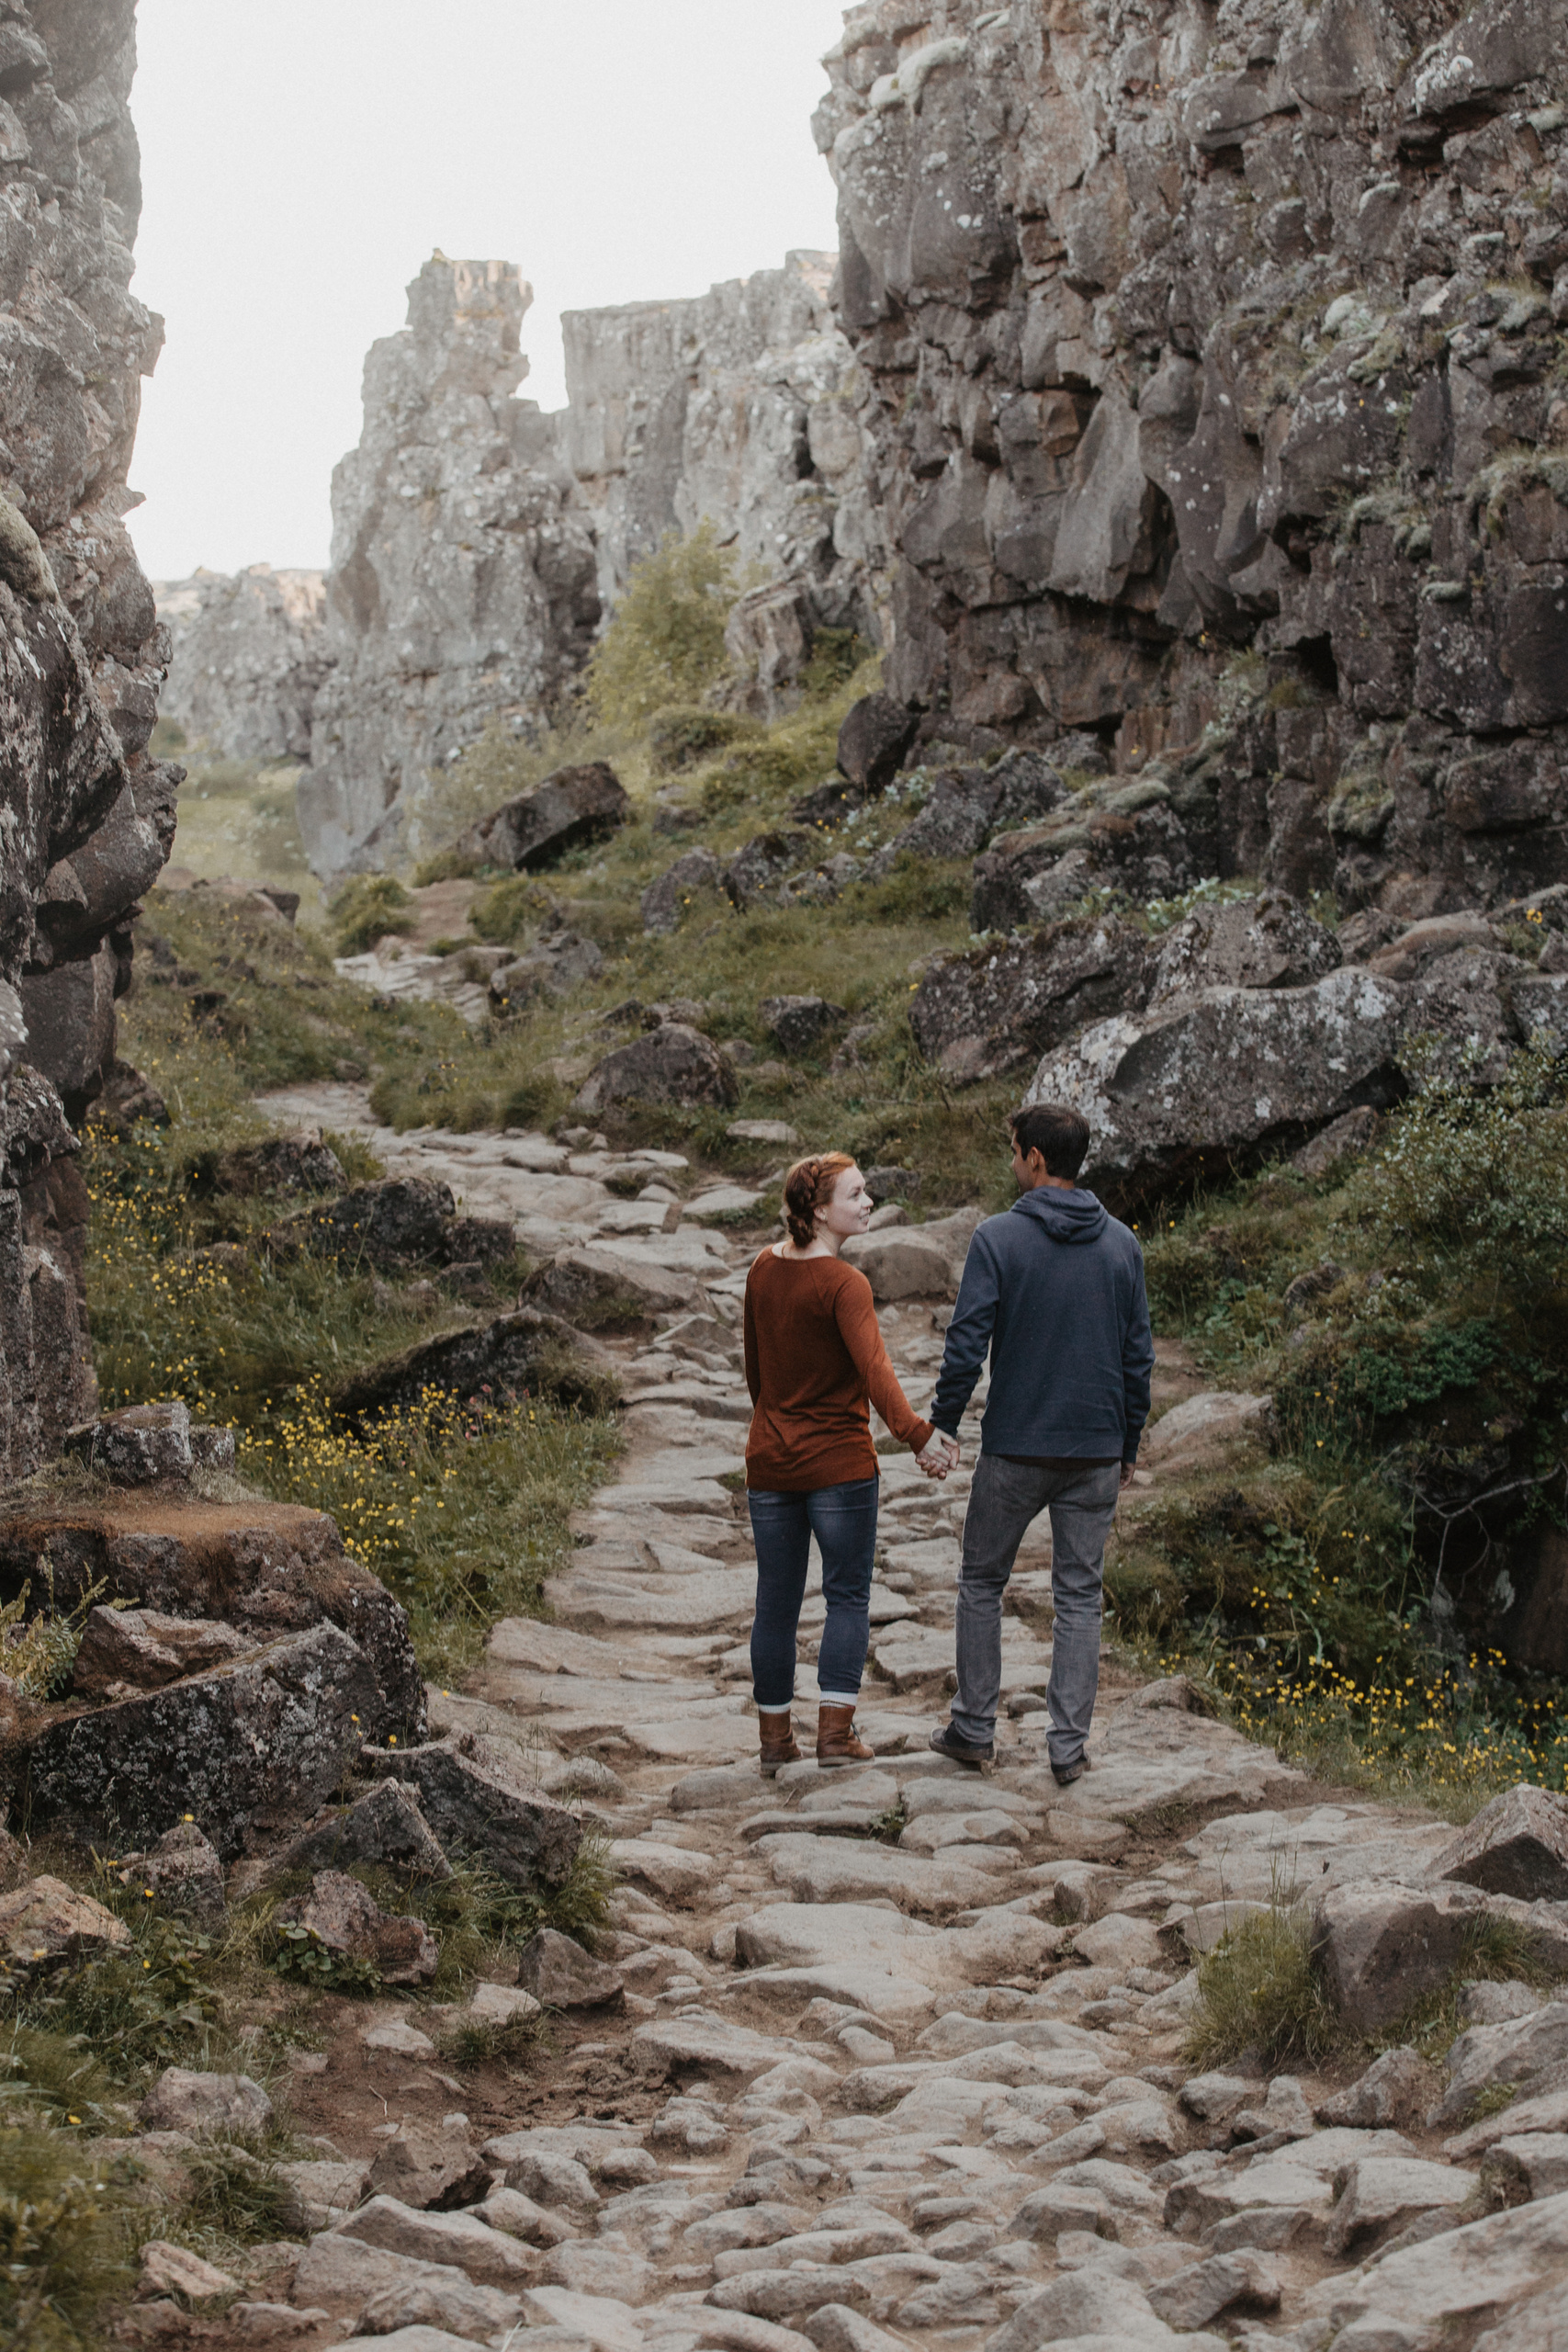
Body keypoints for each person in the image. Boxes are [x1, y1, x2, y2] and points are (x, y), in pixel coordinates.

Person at [923, 1102, 1155, 1781]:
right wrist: (1127, 1445)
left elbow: (967, 1342)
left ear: (1032, 1158)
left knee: (980, 1582)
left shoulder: (997, 1238)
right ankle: (1067, 1748)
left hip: (1016, 1446)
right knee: (1080, 1594)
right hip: (1093, 1451)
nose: (1012, 1161)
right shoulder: (1121, 1245)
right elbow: (1136, 1357)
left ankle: (972, 1727)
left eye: (1013, 1151)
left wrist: (945, 1422)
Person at [744, 1151, 953, 1774]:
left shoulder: (761, 1268)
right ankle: (834, 1735)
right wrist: (918, 1436)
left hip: (771, 1463)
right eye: (855, 1195)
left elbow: (756, 1370)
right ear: (818, 1209)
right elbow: (875, 1373)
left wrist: (775, 1424)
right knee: (846, 1599)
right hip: (838, 1465)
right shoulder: (844, 1284)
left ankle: (774, 1741)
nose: (866, 1204)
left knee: (774, 1605)